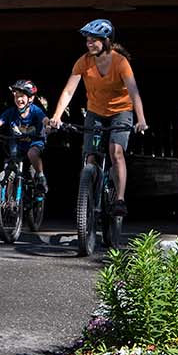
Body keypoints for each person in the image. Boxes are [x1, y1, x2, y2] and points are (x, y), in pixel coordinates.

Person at [47, 19, 147, 216]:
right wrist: (56, 116)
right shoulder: (83, 61)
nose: (89, 44)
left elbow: (134, 92)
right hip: (95, 112)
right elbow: (69, 91)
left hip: (121, 111)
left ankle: (119, 199)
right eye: (87, 40)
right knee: (90, 155)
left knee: (115, 151)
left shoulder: (120, 62)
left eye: (93, 40)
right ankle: (88, 197)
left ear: (106, 41)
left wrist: (141, 119)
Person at [0, 79, 48, 188]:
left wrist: (49, 124)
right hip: (17, 143)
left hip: (34, 141)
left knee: (32, 154)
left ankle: (41, 176)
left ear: (31, 98)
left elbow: (45, 120)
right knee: (11, 163)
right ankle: (9, 195)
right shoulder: (11, 112)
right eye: (16, 96)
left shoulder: (36, 111)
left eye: (22, 96)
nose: (19, 99)